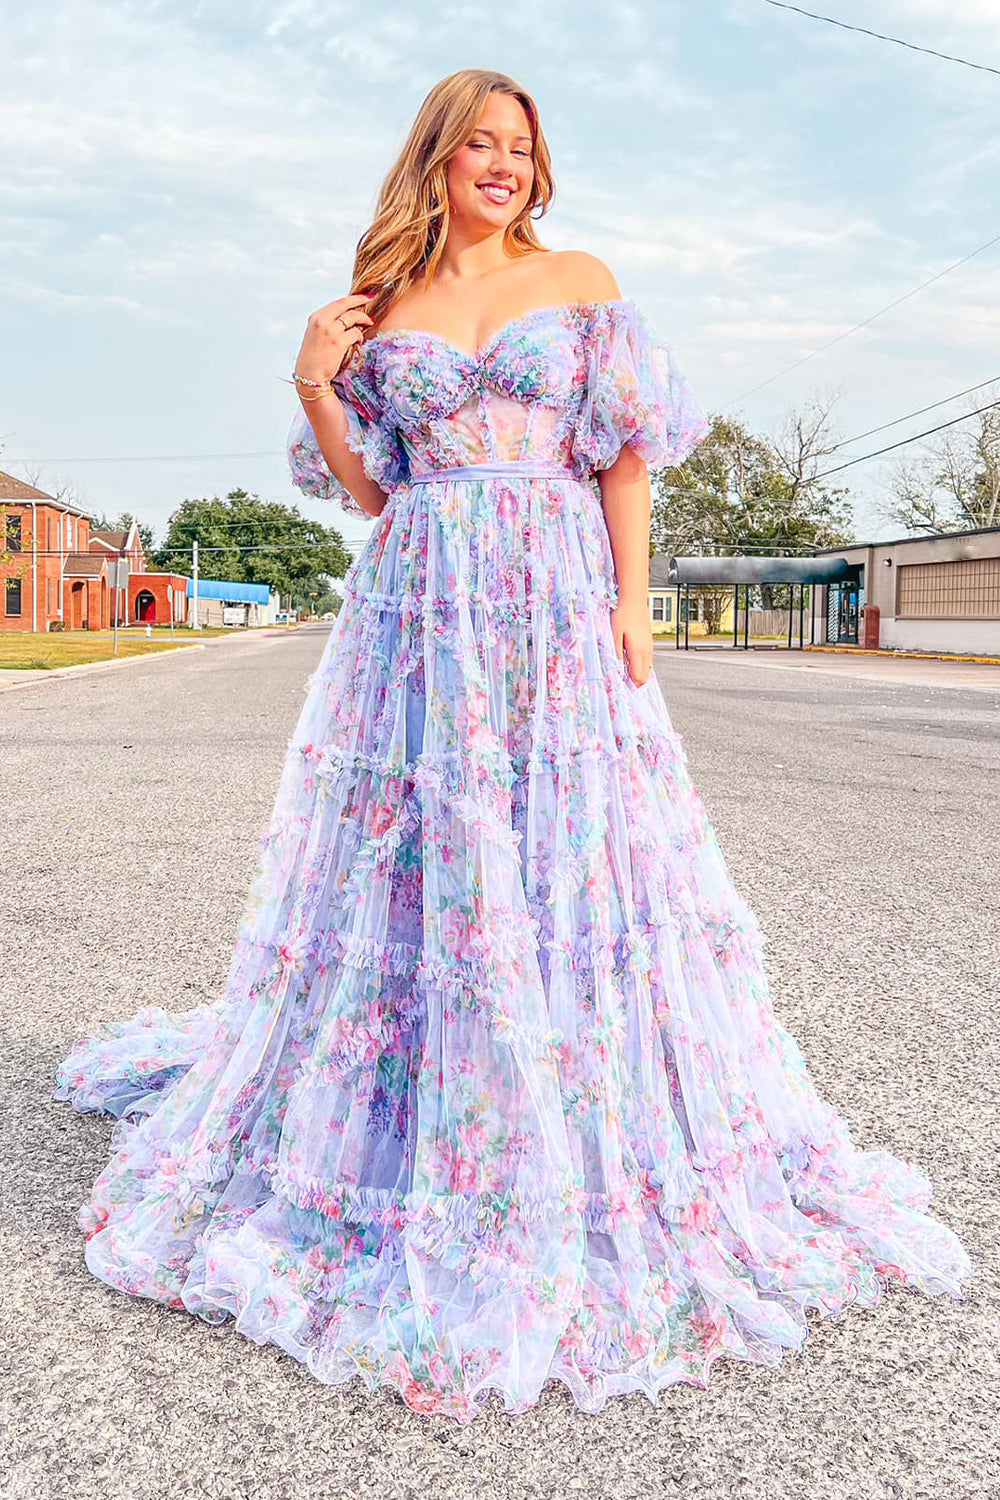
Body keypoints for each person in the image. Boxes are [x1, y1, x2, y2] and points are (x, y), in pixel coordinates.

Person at [53, 67, 973, 1424]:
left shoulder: (582, 279)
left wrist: (630, 611)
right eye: (478, 144)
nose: (502, 164)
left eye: (521, 148)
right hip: (421, 606)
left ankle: (581, 1107)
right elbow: (372, 490)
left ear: (540, 170)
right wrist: (316, 376)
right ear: (435, 157)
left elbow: (625, 462)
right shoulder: (385, 312)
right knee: (421, 854)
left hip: (550, 594)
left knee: (576, 851)